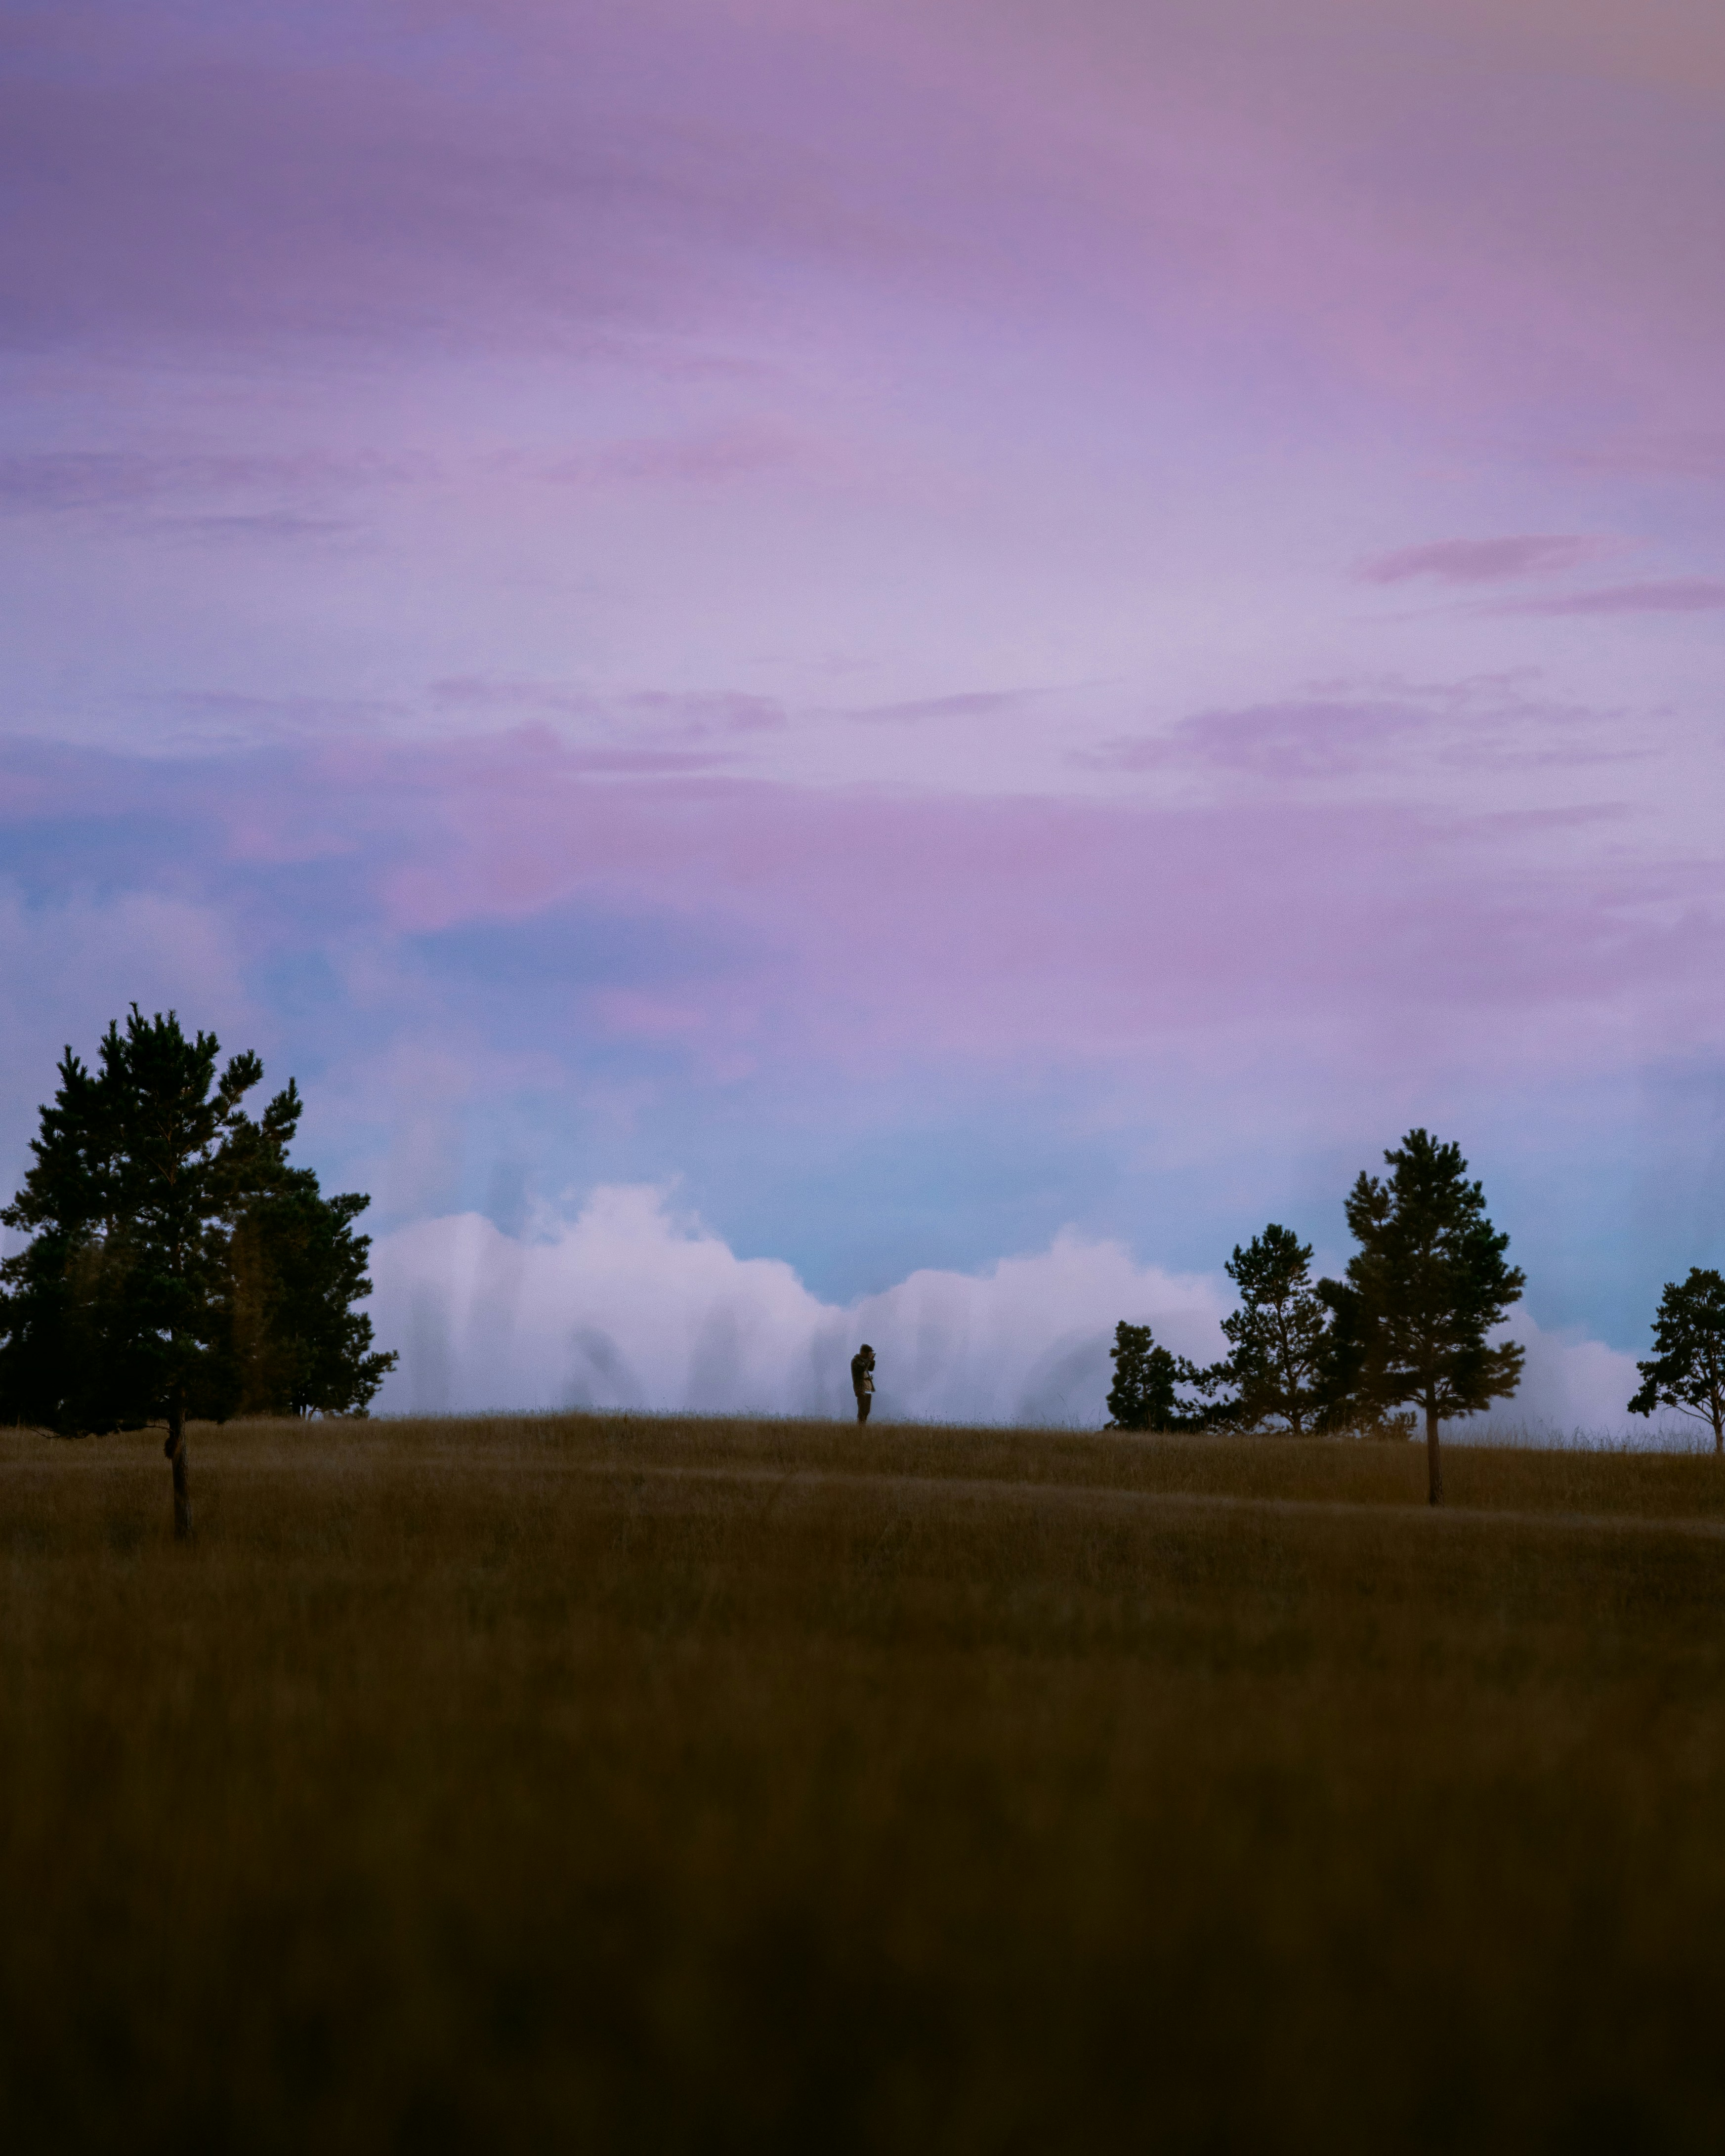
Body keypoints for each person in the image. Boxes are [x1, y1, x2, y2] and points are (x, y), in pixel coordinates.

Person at [850, 1343, 876, 1424]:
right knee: (862, 1410)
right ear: (864, 1353)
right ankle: (860, 1426)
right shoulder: (856, 1361)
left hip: (868, 1388)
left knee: (867, 1411)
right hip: (861, 1388)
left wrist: (872, 1360)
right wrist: (869, 1359)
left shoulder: (865, 1361)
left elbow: (871, 1369)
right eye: (868, 1354)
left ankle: (863, 1425)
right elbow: (862, 1368)